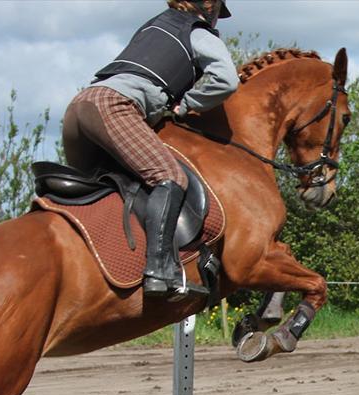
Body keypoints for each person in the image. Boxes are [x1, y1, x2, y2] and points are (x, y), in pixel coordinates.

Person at [62, 0, 238, 297]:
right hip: (113, 107)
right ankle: (158, 271)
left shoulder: (150, 27)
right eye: (217, 11)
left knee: (100, 195)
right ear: (207, 7)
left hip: (79, 108)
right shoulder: (198, 32)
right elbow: (227, 80)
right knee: (170, 177)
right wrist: (187, 105)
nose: (217, 19)